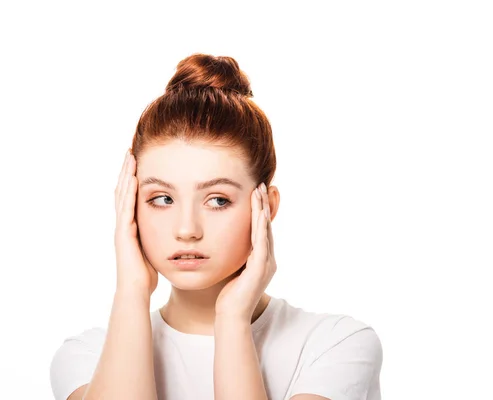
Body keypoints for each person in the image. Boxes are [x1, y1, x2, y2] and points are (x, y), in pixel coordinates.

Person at [49, 53, 383, 400]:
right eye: (162, 198)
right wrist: (131, 291)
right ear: (130, 206)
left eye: (217, 200)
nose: (187, 229)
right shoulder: (88, 356)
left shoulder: (334, 346)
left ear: (266, 207)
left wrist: (232, 320)